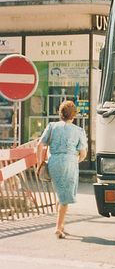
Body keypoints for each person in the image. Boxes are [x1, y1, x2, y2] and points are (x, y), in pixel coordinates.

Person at [36, 101, 88, 238]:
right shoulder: (79, 131)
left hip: (53, 162)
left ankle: (61, 223)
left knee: (60, 192)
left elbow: (39, 146)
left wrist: (40, 162)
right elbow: (83, 154)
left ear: (60, 113)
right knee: (65, 196)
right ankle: (58, 227)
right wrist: (75, 160)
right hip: (69, 163)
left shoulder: (52, 126)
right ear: (74, 115)